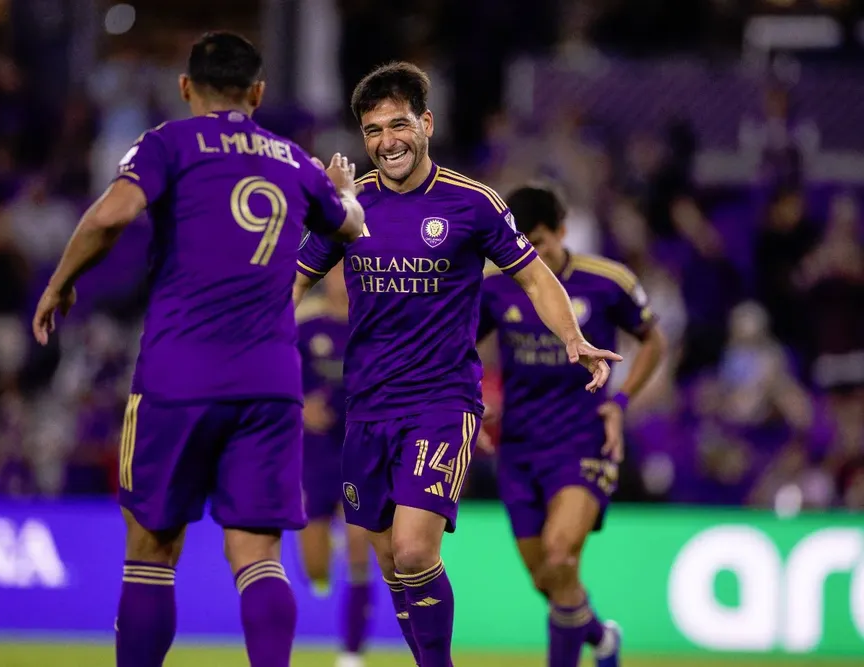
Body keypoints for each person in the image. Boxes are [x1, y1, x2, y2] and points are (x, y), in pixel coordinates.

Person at [31, 32, 364, 667]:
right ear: (259, 93)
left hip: (178, 376)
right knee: (258, 555)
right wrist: (341, 190)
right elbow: (350, 223)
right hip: (269, 382)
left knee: (153, 548)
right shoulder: (294, 159)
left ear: (186, 87)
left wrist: (59, 283)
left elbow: (109, 216)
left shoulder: (169, 143)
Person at [292, 62, 622, 667]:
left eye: (398, 125)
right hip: (365, 409)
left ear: (427, 122)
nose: (386, 141)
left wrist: (573, 338)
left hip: (441, 403)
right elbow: (290, 283)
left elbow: (533, 277)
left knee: (415, 551)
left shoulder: (473, 204)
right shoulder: (350, 207)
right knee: (391, 559)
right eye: (372, 131)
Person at [478, 183, 668, 667]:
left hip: (582, 439)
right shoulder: (496, 285)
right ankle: (600, 635)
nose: (529, 254)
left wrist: (620, 402)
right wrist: (473, 398)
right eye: (522, 243)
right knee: (548, 577)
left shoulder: (607, 281)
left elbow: (653, 342)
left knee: (561, 557)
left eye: (538, 242)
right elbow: (459, 346)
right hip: (518, 448)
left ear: (562, 231)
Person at [295, 266, 373, 667]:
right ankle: (328, 549)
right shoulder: (304, 320)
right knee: (316, 569)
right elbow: (274, 368)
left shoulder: (375, 318)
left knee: (361, 551)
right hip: (315, 453)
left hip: (360, 448)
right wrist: (300, 405)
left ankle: (352, 651)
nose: (342, 277)